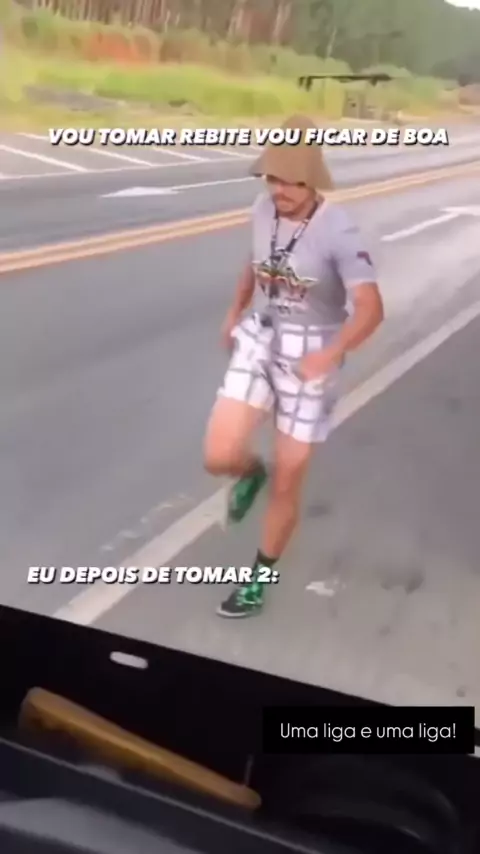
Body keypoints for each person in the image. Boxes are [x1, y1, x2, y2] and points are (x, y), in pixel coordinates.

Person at [203, 114, 384, 618]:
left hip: (312, 354)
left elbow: (371, 308)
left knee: (289, 479)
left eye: (290, 181)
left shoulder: (338, 230)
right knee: (219, 454)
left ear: (312, 180)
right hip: (263, 337)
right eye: (272, 178)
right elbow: (255, 261)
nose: (279, 190)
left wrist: (330, 354)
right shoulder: (262, 209)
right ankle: (249, 472)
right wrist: (235, 310)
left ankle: (257, 581)